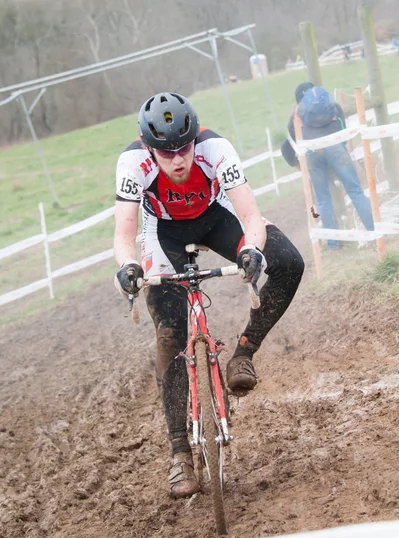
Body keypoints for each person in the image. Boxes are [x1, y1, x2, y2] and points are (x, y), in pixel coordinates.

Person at [113, 92, 304, 498]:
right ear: (150, 149)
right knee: (169, 333)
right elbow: (124, 233)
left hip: (217, 216)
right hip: (162, 232)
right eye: (166, 153)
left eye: (184, 148)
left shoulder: (216, 149)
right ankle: (180, 453)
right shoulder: (133, 164)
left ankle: (244, 355)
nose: (177, 160)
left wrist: (251, 251)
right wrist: (128, 267)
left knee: (288, 262)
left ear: (194, 140)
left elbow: (251, 216)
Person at [281, 82, 374, 251]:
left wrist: (297, 163)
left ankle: (333, 245)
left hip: (312, 154)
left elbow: (287, 145)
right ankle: (374, 232)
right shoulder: (332, 105)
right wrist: (340, 148)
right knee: (356, 191)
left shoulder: (296, 113)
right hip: (337, 149)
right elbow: (342, 127)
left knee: (323, 200)